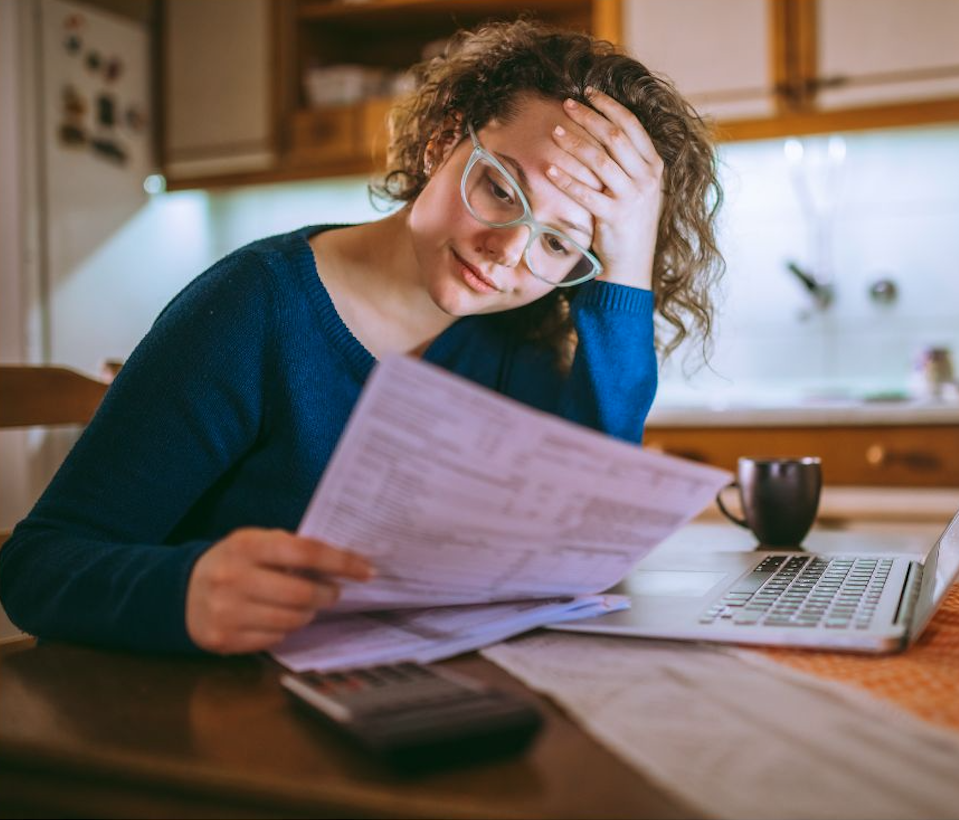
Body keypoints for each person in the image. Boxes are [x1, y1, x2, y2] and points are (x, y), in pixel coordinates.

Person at [0, 20, 723, 656]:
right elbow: (37, 566)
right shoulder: (253, 307)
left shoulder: (515, 343)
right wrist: (185, 590)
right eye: (502, 189)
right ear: (446, 140)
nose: (508, 253)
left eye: (560, 244)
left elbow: (583, 544)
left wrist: (627, 266)